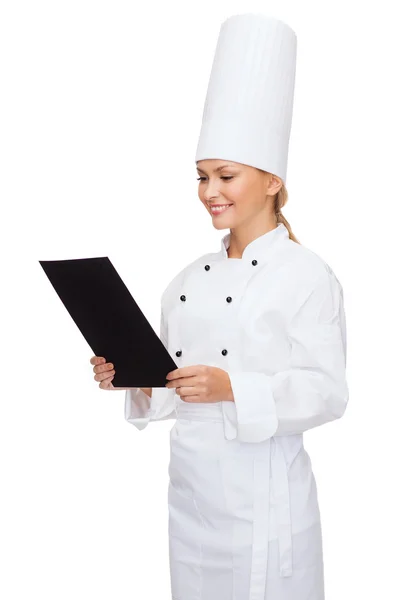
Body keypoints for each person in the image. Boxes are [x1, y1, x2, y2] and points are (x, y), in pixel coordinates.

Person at [90, 13, 349, 600]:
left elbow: (328, 391)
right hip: (192, 504)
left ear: (273, 181)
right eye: (202, 177)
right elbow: (172, 390)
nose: (210, 192)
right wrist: (131, 380)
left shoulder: (306, 275)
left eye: (226, 176)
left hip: (266, 509)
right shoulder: (187, 279)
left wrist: (234, 387)